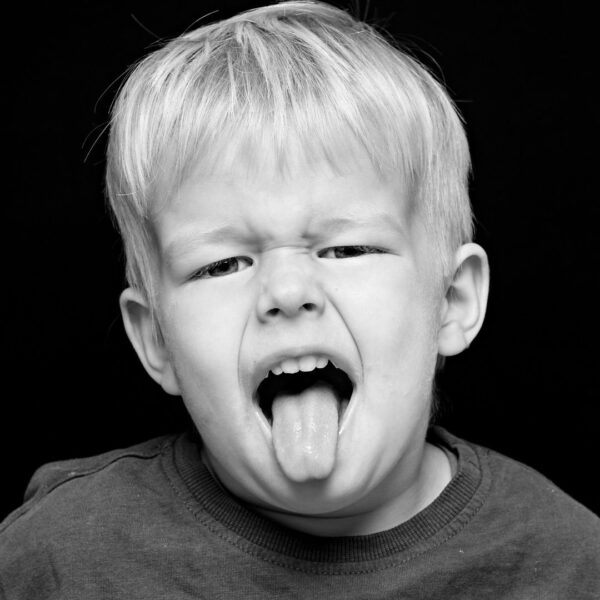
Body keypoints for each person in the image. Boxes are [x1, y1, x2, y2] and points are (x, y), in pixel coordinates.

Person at [1, 2, 598, 597]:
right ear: (156, 337)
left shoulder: (570, 562)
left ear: (452, 300)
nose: (286, 293)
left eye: (348, 249)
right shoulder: (61, 557)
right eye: (222, 264)